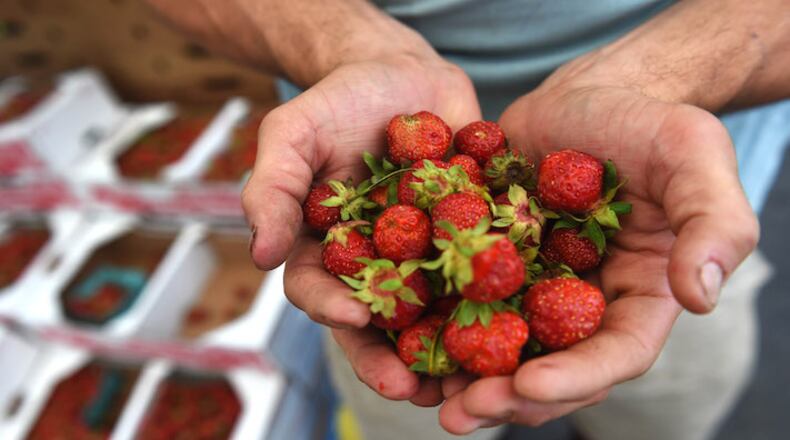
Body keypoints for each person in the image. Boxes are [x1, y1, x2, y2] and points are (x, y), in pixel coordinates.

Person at [146, 1, 789, 439]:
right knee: (406, 410)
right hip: (352, 128)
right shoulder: (425, 248)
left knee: (669, 409)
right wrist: (343, 44)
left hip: (662, 207)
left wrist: (663, 77)